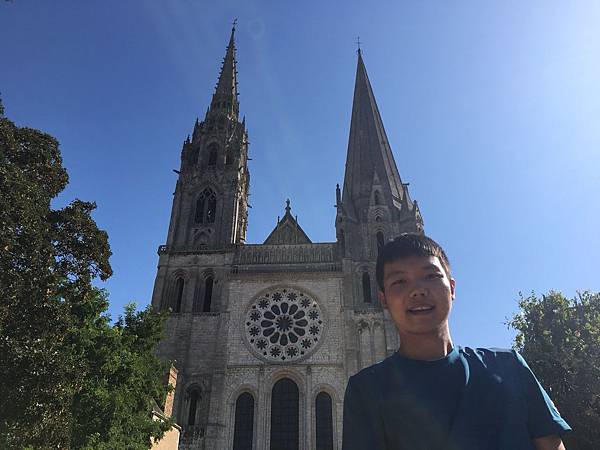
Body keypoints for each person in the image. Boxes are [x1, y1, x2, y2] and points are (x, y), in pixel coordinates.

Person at [342, 233, 571, 450]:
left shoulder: (509, 365)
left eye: (431, 276)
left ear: (452, 287)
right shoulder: (366, 390)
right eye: (400, 281)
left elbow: (552, 445)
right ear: (383, 299)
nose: (417, 290)